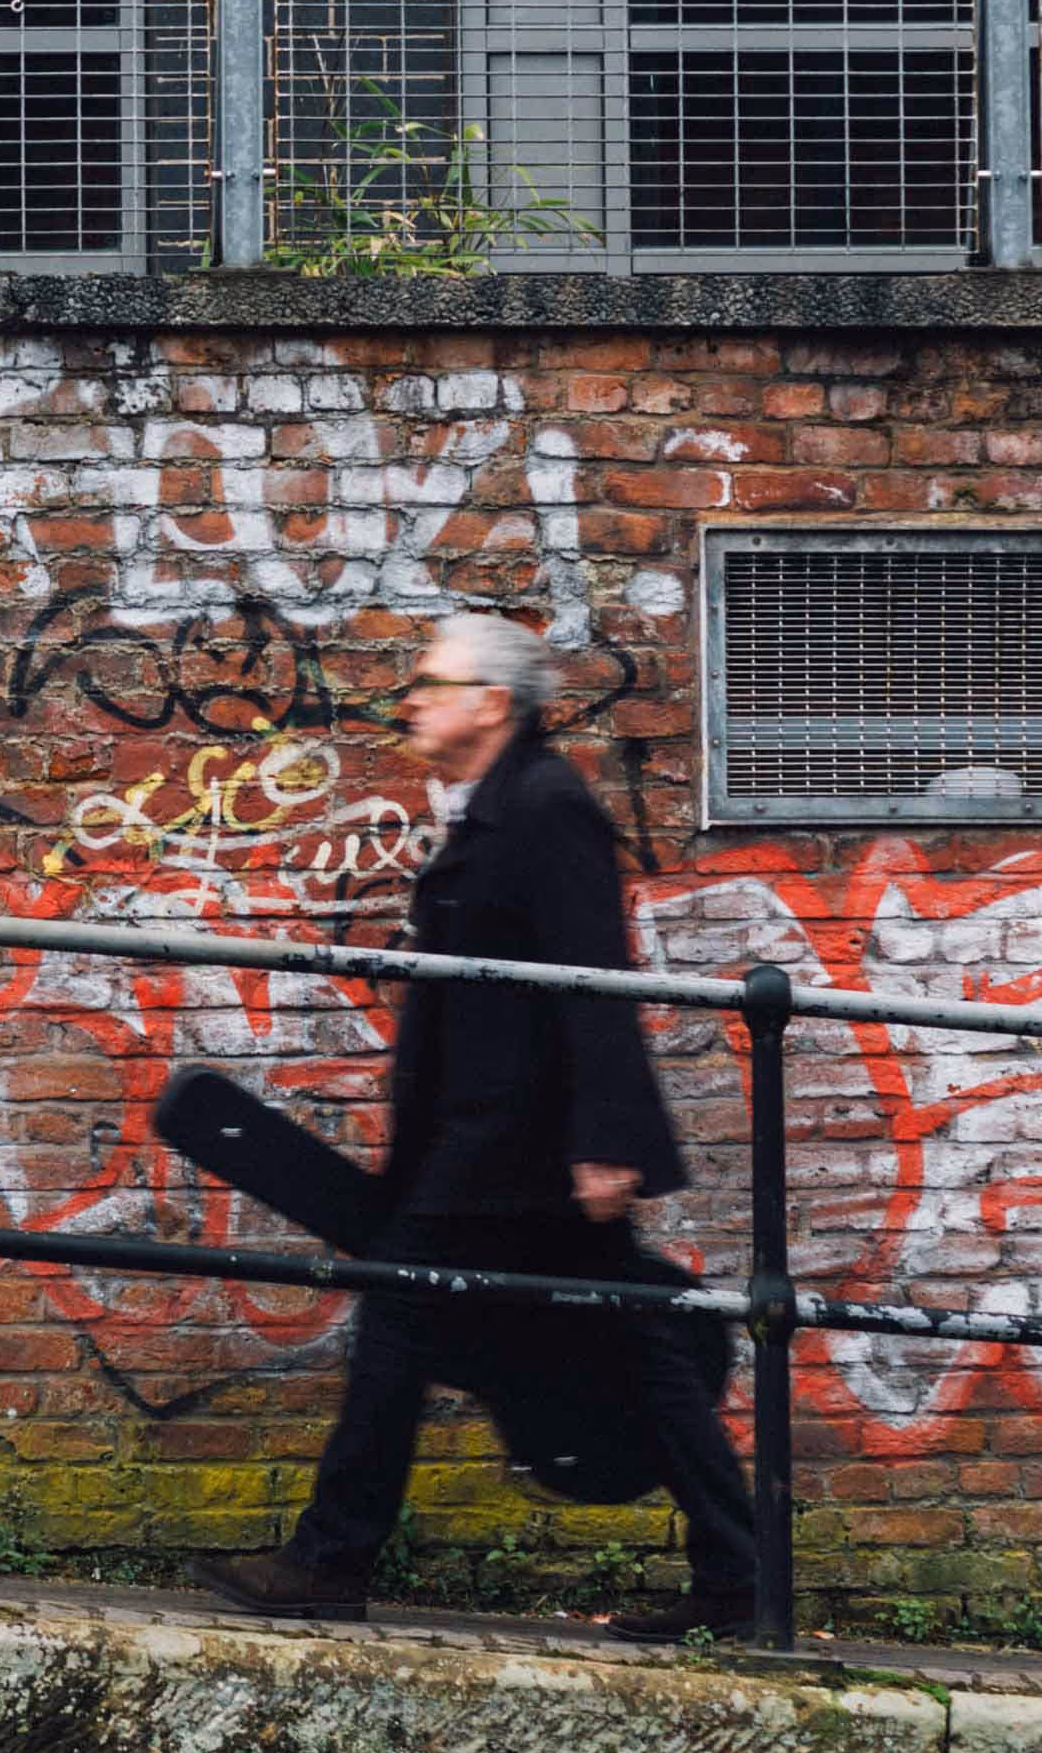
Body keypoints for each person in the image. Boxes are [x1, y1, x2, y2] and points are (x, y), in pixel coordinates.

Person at [188, 610, 760, 1644]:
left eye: (428, 681)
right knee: (638, 1345)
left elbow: (592, 979)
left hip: (518, 1149)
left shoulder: (545, 808)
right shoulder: (505, 805)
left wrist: (606, 1142)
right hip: (504, 1144)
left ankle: (329, 1561)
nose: (408, 698)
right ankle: (738, 1581)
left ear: (492, 703)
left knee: (402, 1319)